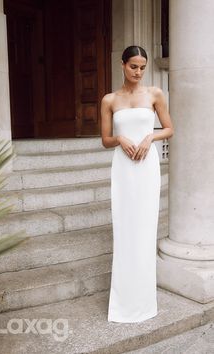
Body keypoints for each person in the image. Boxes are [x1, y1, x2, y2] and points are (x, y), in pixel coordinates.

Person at [101, 45, 174, 323]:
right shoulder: (109, 99)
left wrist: (149, 138)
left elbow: (169, 128)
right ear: (122, 65)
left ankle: (144, 302)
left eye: (142, 67)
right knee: (124, 228)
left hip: (146, 167)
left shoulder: (155, 94)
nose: (139, 72)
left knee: (144, 229)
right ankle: (122, 304)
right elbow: (105, 139)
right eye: (133, 66)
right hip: (123, 168)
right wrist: (120, 139)